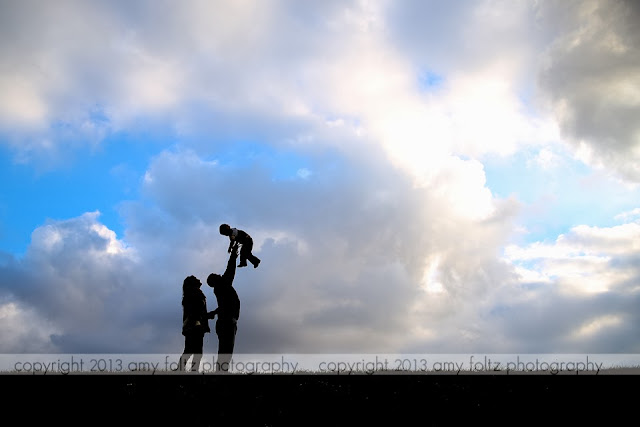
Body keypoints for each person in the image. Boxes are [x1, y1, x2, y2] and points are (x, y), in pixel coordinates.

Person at [207, 245, 241, 372]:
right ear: (215, 281)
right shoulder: (222, 285)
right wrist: (233, 254)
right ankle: (221, 374)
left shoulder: (220, 288)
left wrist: (214, 312)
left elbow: (223, 306)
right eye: (216, 275)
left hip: (225, 321)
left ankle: (220, 373)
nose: (219, 274)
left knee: (224, 351)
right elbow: (230, 269)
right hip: (227, 322)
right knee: (226, 351)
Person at [179, 275, 210, 372]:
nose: (199, 279)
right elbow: (196, 311)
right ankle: (187, 370)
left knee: (193, 350)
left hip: (195, 325)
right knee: (193, 351)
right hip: (194, 325)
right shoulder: (194, 294)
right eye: (195, 279)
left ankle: (186, 370)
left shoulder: (194, 294)